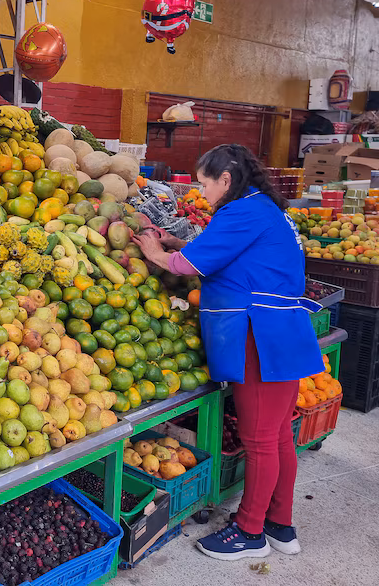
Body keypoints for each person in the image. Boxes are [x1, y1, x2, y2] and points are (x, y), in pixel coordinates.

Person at [134, 144, 323, 561]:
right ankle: (280, 524)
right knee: (276, 438)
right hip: (282, 333)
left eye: (204, 184)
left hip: (259, 336)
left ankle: (250, 532)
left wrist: (155, 252)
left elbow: (189, 265)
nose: (200, 194)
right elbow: (230, 252)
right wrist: (178, 238)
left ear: (226, 180)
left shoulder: (243, 211)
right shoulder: (263, 208)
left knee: (259, 441)